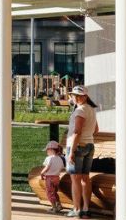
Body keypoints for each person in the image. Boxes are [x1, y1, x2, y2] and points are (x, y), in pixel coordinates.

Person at [65, 86, 99, 218]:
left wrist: (72, 152)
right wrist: (87, 135)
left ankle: (77, 209)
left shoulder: (80, 110)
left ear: (85, 96)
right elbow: (96, 129)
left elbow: (77, 132)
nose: (75, 97)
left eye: (78, 95)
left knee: (75, 179)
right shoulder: (91, 109)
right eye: (74, 95)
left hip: (77, 147)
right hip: (89, 145)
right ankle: (86, 209)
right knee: (85, 178)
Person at [41, 140, 65, 214]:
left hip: (49, 178)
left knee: (49, 193)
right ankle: (59, 205)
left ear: (51, 149)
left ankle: (54, 208)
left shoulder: (49, 158)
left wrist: (42, 173)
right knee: (54, 192)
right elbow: (62, 168)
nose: (46, 152)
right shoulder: (60, 158)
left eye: (47, 150)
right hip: (57, 178)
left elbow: (47, 167)